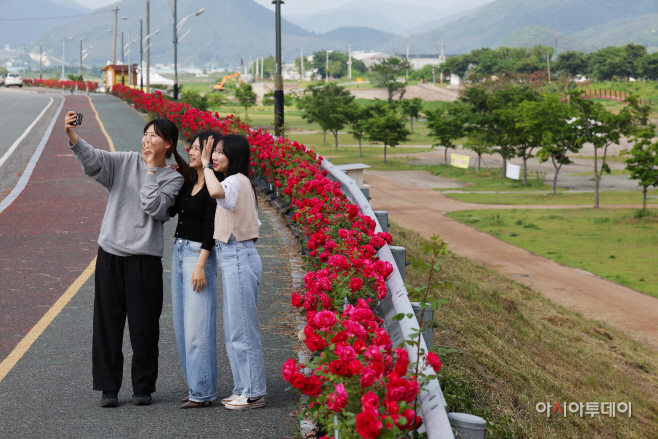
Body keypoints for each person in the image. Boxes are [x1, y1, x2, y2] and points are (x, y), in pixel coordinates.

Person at [64, 112, 184, 408]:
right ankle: (108, 388)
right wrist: (72, 136)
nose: (146, 139)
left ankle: (143, 387)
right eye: (145, 134)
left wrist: (150, 170)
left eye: (154, 135)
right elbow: (95, 161)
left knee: (144, 326)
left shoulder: (174, 178)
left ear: (168, 144)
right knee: (107, 323)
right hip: (110, 254)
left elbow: (154, 207)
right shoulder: (126, 161)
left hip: (144, 259)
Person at [200, 134, 267, 410]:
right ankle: (243, 387)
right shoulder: (239, 181)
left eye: (220, 153)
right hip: (234, 256)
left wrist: (205, 165)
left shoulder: (233, 180)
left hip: (238, 255)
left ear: (234, 156)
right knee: (233, 329)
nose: (215, 156)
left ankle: (253, 392)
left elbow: (215, 192)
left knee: (242, 329)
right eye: (213, 152)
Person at [168, 131, 223, 408]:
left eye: (197, 148)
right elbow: (169, 213)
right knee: (181, 326)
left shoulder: (214, 185)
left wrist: (201, 264)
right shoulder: (188, 182)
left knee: (197, 328)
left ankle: (201, 393)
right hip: (178, 252)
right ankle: (198, 387)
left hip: (196, 257)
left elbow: (210, 229)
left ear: (209, 153)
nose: (190, 151)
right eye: (189, 147)